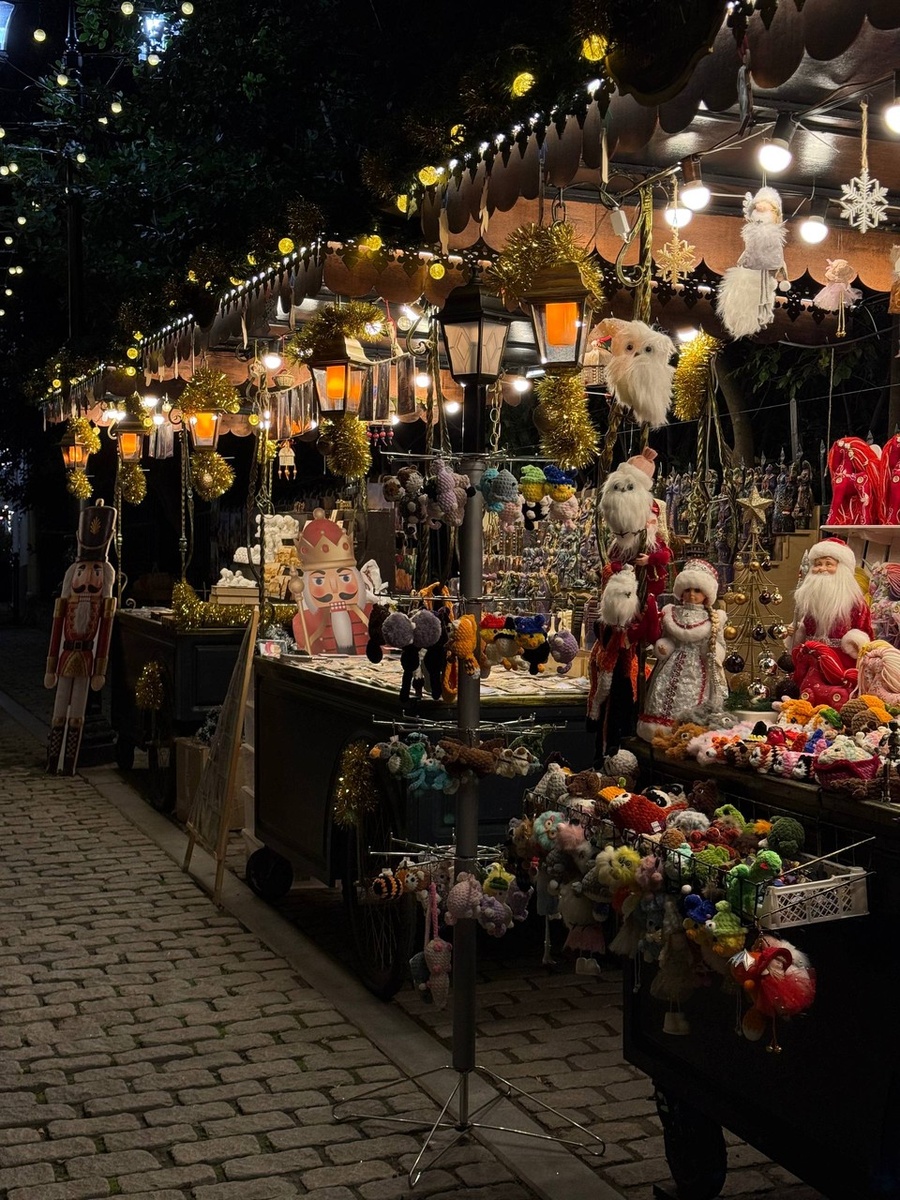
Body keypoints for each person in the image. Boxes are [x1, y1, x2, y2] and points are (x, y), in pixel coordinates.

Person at [44, 500, 117, 774]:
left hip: (86, 656)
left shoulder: (103, 593)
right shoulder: (70, 586)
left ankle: (68, 763)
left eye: (95, 571)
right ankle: (54, 760)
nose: (87, 579)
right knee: (60, 706)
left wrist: (100, 668)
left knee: (77, 715)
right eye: (83, 571)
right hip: (66, 654)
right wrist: (51, 666)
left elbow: (105, 631)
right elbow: (56, 626)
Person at [637, 559, 726, 742]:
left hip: (698, 668)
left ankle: (689, 731)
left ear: (706, 594)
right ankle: (658, 729)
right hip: (672, 664)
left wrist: (714, 653)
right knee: (662, 693)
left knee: (694, 698)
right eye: (687, 590)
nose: (692, 595)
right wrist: (664, 646)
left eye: (697, 590)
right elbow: (668, 638)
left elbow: (719, 644)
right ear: (681, 591)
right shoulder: (671, 613)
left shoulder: (714, 619)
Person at [788, 537, 873, 707]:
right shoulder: (809, 602)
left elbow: (866, 633)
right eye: (818, 564)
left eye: (828, 564)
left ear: (840, 568)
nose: (822, 569)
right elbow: (804, 629)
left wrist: (856, 643)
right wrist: (797, 632)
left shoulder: (855, 603)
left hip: (842, 662)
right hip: (812, 661)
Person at [291, 508, 372, 654]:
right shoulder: (303, 621)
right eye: (319, 581)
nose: (335, 589)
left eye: (345, 578)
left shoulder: (371, 615)